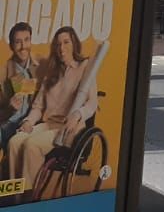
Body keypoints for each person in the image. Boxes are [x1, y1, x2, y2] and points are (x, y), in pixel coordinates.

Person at [7, 26, 97, 196]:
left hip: (69, 129)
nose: (61, 48)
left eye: (66, 42)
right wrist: (28, 121)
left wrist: (78, 114)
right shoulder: (52, 73)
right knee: (14, 142)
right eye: (58, 44)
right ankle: (15, 195)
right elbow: (38, 106)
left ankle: (29, 197)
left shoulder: (85, 68)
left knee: (32, 145)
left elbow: (92, 103)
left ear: (74, 44)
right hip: (48, 124)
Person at [0, 21, 34, 153]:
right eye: (18, 42)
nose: (23, 46)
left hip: (31, 123)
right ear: (11, 46)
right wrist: (10, 109)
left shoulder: (40, 66)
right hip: (7, 125)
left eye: (26, 40)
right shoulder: (3, 73)